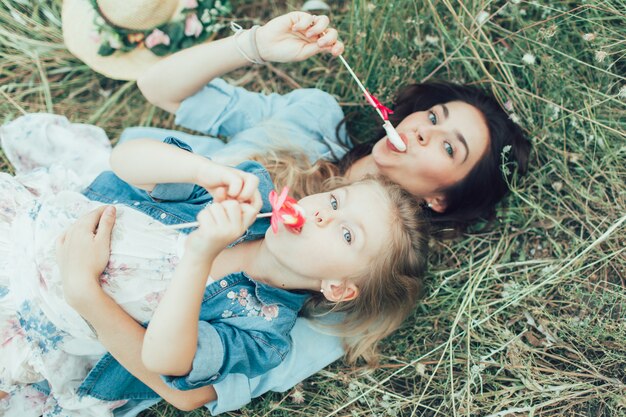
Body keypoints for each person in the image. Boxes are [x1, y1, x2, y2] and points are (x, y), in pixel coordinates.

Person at [116, 9, 532, 414]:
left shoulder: (360, 278)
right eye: (432, 116)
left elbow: (191, 389)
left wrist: (83, 288)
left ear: (442, 199)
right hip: (118, 195)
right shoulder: (313, 118)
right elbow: (157, 87)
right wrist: (255, 44)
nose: (424, 129)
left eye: (448, 147)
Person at [0, 129, 428, 415]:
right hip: (32, 228)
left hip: (37, 323)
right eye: (335, 203)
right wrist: (203, 171)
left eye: (347, 235)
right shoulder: (248, 196)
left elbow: (164, 361)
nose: (321, 217)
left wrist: (199, 256)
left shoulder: (263, 330)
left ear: (337, 287)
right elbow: (126, 159)